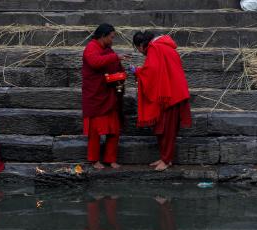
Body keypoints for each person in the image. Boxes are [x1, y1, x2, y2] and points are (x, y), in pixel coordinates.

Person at [130, 31, 192, 171]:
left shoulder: (154, 48)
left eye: (138, 49)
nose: (140, 53)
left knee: (167, 130)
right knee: (163, 128)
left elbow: (151, 71)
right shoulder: (163, 46)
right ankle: (165, 158)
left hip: (170, 94)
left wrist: (137, 71)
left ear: (141, 45)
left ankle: (166, 160)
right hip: (173, 91)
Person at [82, 23, 128, 170]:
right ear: (103, 36)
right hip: (96, 97)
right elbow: (95, 63)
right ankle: (94, 160)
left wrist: (121, 76)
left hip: (109, 96)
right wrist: (115, 57)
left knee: (114, 130)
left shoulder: (108, 50)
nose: (113, 40)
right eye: (111, 37)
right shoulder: (91, 47)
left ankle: (110, 159)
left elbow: (115, 67)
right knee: (95, 132)